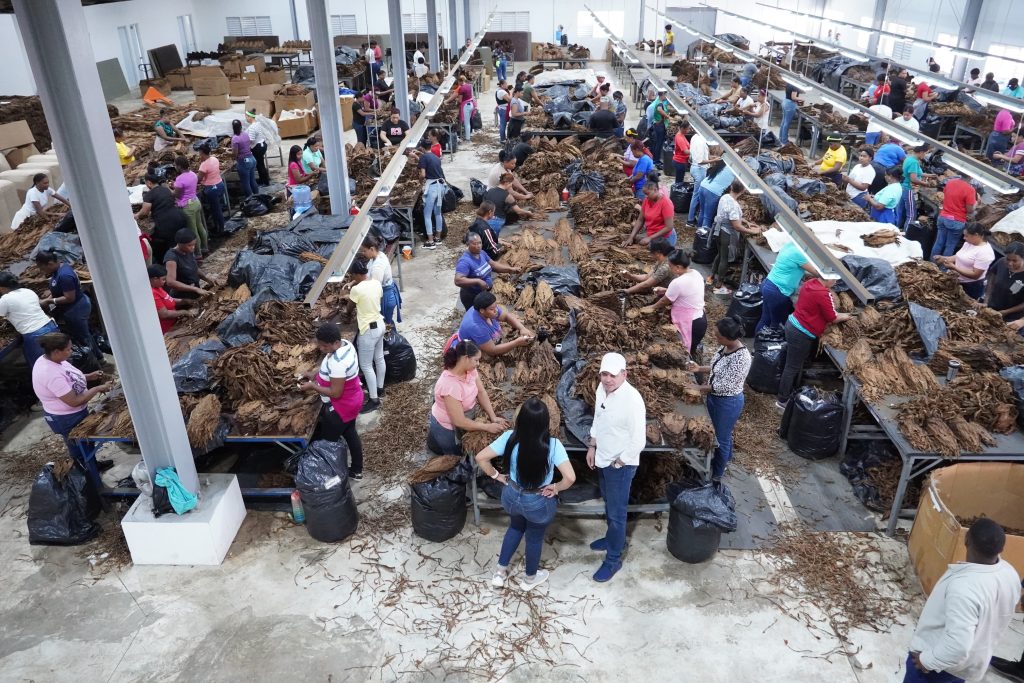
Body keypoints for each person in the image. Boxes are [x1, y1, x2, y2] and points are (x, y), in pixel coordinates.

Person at [477, 395, 575, 591]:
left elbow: (481, 457)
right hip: (537, 500)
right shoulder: (554, 445)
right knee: (534, 537)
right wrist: (555, 487)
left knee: (515, 527)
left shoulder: (509, 437)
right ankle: (529, 579)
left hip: (511, 495)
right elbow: (570, 478)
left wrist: (496, 475)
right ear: (546, 422)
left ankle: (499, 573)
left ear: (520, 419)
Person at [905, 518, 1021, 683]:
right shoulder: (1009, 573)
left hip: (937, 668)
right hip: (969, 664)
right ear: (1002, 548)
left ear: (966, 540)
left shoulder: (964, 588)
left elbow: (958, 645)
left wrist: (927, 661)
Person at [586, 352, 646, 583]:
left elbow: (638, 441)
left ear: (624, 374)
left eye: (612, 375)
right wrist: (592, 446)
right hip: (602, 457)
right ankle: (611, 538)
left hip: (619, 465)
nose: (607, 379)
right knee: (609, 504)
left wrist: (620, 462)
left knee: (617, 514)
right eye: (604, 374)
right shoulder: (602, 389)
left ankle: (613, 559)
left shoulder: (632, 401)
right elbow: (597, 418)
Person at [32, 332, 112, 487]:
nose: (71, 351)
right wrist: (97, 388)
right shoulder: (49, 373)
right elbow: (74, 401)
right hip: (66, 418)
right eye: (68, 349)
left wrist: (88, 376)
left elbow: (69, 376)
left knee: (86, 444)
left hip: (74, 413)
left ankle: (93, 466)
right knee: (79, 449)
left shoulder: (52, 359)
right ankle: (88, 481)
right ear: (56, 351)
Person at [684, 316, 751, 481]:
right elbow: (717, 368)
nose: (716, 338)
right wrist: (699, 368)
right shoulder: (726, 347)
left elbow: (723, 386)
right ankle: (725, 458)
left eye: (718, 336)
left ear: (729, 337)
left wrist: (697, 388)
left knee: (720, 439)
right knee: (722, 432)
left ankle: (717, 474)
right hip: (715, 398)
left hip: (727, 403)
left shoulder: (742, 358)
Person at [299, 323, 365, 478]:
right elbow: (329, 367)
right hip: (354, 399)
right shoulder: (346, 344)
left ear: (335, 342)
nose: (321, 349)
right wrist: (315, 374)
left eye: (324, 346)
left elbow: (335, 393)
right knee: (350, 432)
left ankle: (332, 478)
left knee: (328, 445)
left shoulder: (338, 362)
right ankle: (357, 470)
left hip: (341, 407)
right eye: (320, 345)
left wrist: (313, 386)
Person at [776, 273, 852, 409]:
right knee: (792, 367)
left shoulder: (810, 283)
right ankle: (782, 400)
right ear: (828, 278)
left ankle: (783, 387)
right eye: (835, 279)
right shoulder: (823, 294)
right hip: (801, 333)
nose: (835, 282)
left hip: (792, 324)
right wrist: (845, 316)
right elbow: (832, 317)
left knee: (790, 362)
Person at [431, 339, 507, 455]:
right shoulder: (450, 385)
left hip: (466, 417)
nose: (478, 364)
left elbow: (481, 392)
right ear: (466, 358)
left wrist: (493, 417)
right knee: (455, 454)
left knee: (467, 447)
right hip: (449, 426)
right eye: (476, 360)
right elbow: (459, 421)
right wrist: (487, 427)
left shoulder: (470, 370)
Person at [34, 250, 102, 364]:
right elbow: (61, 289)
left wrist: (49, 301)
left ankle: (98, 359)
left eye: (43, 268)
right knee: (83, 334)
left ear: (50, 263)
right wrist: (51, 294)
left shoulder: (65, 275)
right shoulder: (60, 268)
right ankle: (94, 355)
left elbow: (69, 298)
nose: (42, 271)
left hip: (76, 309)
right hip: (73, 307)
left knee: (84, 336)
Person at [643, 249, 706, 357]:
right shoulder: (696, 273)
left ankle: (694, 364)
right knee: (692, 348)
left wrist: (651, 307)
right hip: (701, 318)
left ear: (678, 267)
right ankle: (695, 354)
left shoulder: (677, 282)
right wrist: (666, 290)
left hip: (690, 323)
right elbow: (686, 292)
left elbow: (664, 301)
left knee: (684, 354)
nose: (669, 268)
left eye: (670, 266)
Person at [708, 180, 763, 294]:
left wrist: (746, 222)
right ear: (742, 191)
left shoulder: (725, 197)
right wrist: (752, 231)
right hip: (726, 233)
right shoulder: (734, 205)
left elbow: (731, 216)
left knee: (720, 254)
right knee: (724, 259)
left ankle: (711, 277)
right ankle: (719, 286)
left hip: (718, 230)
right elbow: (737, 226)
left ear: (731, 187)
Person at [347, 259, 386, 413]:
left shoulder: (356, 289)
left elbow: (350, 307)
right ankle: (380, 388)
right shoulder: (376, 283)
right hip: (380, 323)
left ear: (357, 274)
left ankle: (374, 399)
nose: (352, 278)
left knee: (366, 366)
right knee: (379, 358)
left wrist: (347, 313)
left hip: (368, 330)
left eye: (352, 276)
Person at [755, 242, 819, 334]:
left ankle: (759, 341)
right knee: (775, 324)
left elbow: (793, 266)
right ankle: (769, 341)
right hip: (777, 291)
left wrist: (803, 273)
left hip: (769, 284)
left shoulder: (790, 245)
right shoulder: (799, 253)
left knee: (766, 319)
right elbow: (818, 272)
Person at [0, 270, 58, 369]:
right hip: (51, 326)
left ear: (1, 288)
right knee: (56, 360)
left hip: (35, 334)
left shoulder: (5, 299)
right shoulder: (27, 291)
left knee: (41, 367)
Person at [454, 232, 520, 310]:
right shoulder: (465, 261)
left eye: (480, 243)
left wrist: (510, 269)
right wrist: (478, 281)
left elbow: (493, 265)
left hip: (484, 293)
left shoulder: (482, 253)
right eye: (474, 244)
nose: (478, 246)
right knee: (479, 314)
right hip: (473, 297)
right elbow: (458, 280)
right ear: (468, 244)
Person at [457, 291, 534, 357]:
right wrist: (516, 343)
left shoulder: (489, 309)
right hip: (471, 349)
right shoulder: (476, 327)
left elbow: (506, 316)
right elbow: (492, 351)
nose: (496, 310)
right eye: (492, 309)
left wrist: (522, 328)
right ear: (482, 310)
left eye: (496, 307)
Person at [134, 169, 186, 262]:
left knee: (172, 246)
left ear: (149, 183)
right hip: (178, 217)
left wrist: (137, 215)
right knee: (182, 241)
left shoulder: (149, 195)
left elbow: (145, 212)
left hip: (166, 223)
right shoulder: (166, 189)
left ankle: (175, 264)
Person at [935, 223, 995, 300]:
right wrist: (944, 258)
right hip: (957, 280)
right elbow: (959, 256)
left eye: (966, 236)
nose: (964, 238)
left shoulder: (985, 252)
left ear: (976, 235)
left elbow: (975, 275)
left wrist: (954, 267)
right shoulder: (968, 243)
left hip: (970, 286)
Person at [931, 170, 978, 260]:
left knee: (939, 243)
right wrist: (976, 203)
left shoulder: (950, 182)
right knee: (950, 246)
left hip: (943, 217)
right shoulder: (970, 190)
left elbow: (946, 196)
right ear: (971, 176)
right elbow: (970, 210)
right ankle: (943, 267)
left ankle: (932, 263)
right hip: (956, 221)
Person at [623, 171, 677, 248]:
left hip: (665, 238)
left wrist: (650, 238)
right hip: (652, 235)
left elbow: (669, 227)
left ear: (655, 190)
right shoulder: (647, 200)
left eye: (647, 194)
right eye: (645, 194)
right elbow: (640, 220)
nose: (646, 197)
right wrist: (631, 237)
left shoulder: (666, 203)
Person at [163, 228, 219, 300]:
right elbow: (170, 282)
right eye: (189, 245)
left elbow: (193, 267)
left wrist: (207, 279)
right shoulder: (171, 258)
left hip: (194, 291)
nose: (193, 247)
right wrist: (195, 289)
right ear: (179, 244)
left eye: (194, 244)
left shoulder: (187, 250)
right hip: (182, 297)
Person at [359, 235, 401, 326]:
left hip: (385, 297)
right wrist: (354, 281)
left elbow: (374, 288)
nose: (363, 253)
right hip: (384, 293)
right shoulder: (377, 256)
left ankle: (390, 333)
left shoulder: (378, 265)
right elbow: (368, 276)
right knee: (386, 323)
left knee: (385, 324)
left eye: (364, 251)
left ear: (371, 249)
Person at [172, 155, 208, 257]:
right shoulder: (193, 174)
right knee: (200, 226)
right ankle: (205, 248)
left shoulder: (180, 179)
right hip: (195, 202)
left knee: (193, 232)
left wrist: (169, 190)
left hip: (188, 207)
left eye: (175, 165)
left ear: (179, 166)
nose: (175, 167)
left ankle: (198, 254)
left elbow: (177, 195)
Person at [147, 264, 194, 334]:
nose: (165, 281)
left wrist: (184, 301)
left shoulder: (158, 287)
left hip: (174, 323)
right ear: (155, 279)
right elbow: (164, 314)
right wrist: (184, 312)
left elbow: (168, 299)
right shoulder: (153, 293)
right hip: (167, 329)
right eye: (163, 279)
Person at [417, 138, 445, 249]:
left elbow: (423, 174)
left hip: (432, 187)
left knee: (427, 214)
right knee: (438, 213)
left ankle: (430, 241)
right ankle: (438, 238)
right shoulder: (436, 157)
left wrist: (419, 181)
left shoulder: (423, 157)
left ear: (422, 147)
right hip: (440, 186)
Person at [985, 242, 1024, 322]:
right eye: (1008, 259)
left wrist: (1006, 312)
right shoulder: (1001, 262)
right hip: (991, 308)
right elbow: (991, 280)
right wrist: (986, 300)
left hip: (1011, 317)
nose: (1010, 263)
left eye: (1015, 261)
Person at [900, 144, 935, 229]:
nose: (925, 155)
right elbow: (914, 179)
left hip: (903, 187)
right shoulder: (914, 162)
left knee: (902, 212)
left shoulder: (909, 158)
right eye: (925, 153)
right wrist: (926, 184)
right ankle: (907, 233)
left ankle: (900, 228)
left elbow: (917, 172)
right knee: (911, 215)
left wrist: (930, 175)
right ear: (921, 152)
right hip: (909, 189)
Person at [697, 158, 735, 233]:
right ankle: (703, 235)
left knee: (702, 211)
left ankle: (698, 233)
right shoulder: (735, 170)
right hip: (713, 192)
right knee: (707, 217)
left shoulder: (724, 164)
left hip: (703, 186)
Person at [196, 144, 226, 236]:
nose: (199, 155)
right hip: (220, 185)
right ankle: (218, 225)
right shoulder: (214, 159)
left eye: (199, 153)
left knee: (216, 210)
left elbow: (198, 179)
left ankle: (220, 229)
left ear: (202, 153)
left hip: (212, 189)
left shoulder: (204, 165)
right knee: (218, 208)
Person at [686, 130, 710, 227]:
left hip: (693, 167)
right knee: (696, 195)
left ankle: (693, 216)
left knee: (696, 195)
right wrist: (714, 160)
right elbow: (700, 161)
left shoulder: (694, 137)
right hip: (699, 169)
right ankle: (690, 220)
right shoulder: (701, 141)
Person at [230, 119, 259, 197]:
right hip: (252, 159)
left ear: (233, 128)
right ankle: (258, 197)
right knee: (252, 180)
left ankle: (251, 200)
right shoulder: (245, 134)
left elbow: (235, 153)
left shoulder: (235, 138)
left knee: (246, 183)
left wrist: (232, 155)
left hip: (244, 162)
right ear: (241, 126)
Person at [445, 75, 476, 143]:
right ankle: (469, 134)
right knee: (469, 121)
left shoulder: (462, 88)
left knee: (466, 123)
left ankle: (468, 139)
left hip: (466, 106)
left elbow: (460, 100)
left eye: (458, 82)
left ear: (460, 81)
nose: (458, 83)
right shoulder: (469, 86)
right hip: (471, 104)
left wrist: (455, 101)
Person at [244, 109, 270, 188]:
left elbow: (251, 140)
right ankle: (263, 179)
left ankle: (265, 182)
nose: (246, 118)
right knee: (260, 164)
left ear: (250, 117)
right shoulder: (257, 124)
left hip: (257, 147)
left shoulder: (252, 127)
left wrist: (245, 144)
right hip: (262, 144)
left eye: (246, 117)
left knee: (260, 165)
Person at [647, 88, 670, 170]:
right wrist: (667, 116)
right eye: (665, 94)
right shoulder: (659, 103)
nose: (666, 96)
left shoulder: (658, 101)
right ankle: (656, 161)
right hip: (659, 126)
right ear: (662, 94)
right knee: (659, 144)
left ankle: (655, 159)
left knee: (657, 143)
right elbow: (659, 109)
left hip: (657, 124)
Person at [779, 80, 804, 145]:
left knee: (784, 121)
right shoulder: (795, 86)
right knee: (787, 123)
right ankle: (784, 141)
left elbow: (790, 93)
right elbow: (793, 97)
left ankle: (781, 138)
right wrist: (801, 99)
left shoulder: (789, 83)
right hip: (790, 104)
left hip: (785, 102)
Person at [671, 119, 691, 185]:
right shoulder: (680, 137)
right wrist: (696, 151)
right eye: (687, 129)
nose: (689, 130)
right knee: (679, 182)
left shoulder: (681, 135)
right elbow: (686, 151)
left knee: (679, 180)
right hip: (679, 162)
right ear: (682, 128)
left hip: (681, 161)